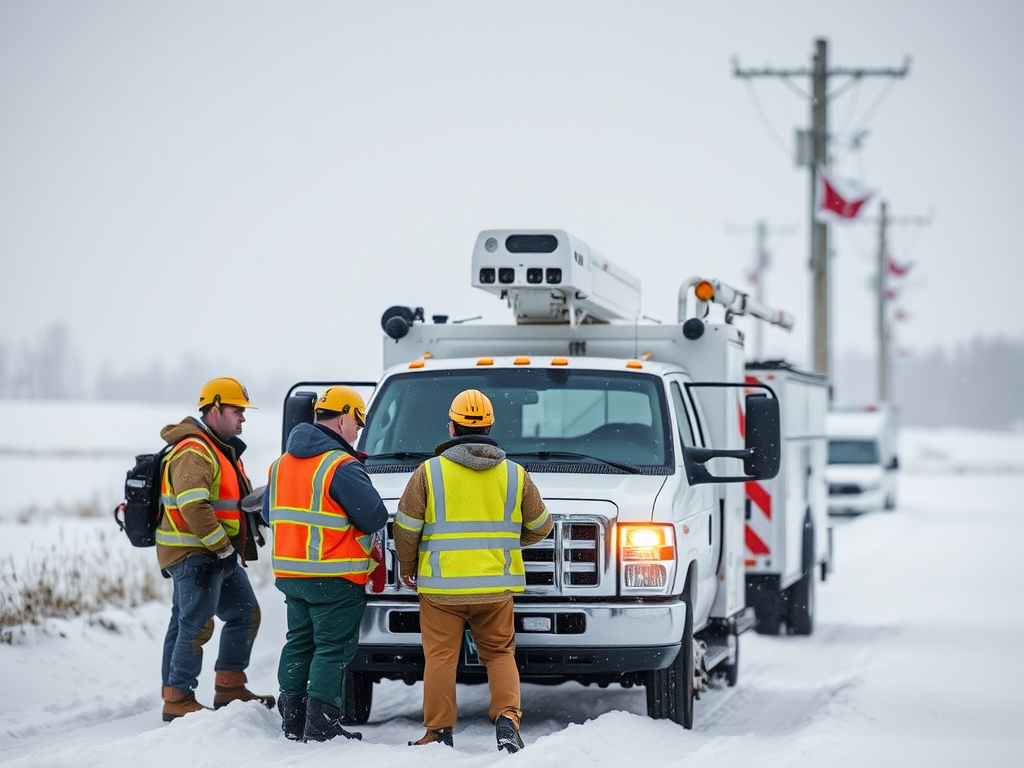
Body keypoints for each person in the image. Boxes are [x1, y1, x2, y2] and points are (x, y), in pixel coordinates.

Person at [394, 389, 552, 753]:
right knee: (499, 654)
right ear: (491, 426)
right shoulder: (515, 474)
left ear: (451, 428)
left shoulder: (429, 472)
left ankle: (438, 732)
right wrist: (506, 542)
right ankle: (508, 720)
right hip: (495, 590)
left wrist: (408, 565)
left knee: (440, 659)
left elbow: (405, 528)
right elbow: (542, 526)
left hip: (441, 590)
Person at [262, 386, 388, 742]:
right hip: (335, 576)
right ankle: (322, 725)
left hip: (292, 575)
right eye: (358, 424)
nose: (358, 432)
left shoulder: (280, 464)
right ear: (344, 417)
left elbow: (270, 514)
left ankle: (293, 720)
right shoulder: (341, 466)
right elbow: (375, 517)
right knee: (332, 648)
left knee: (299, 642)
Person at [157, 377, 274, 721]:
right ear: (215, 409)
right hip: (196, 553)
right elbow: (194, 506)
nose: (243, 419)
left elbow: (223, 500)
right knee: (194, 625)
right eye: (237, 411)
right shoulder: (194, 450)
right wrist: (222, 546)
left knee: (244, 613)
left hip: (215, 553)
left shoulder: (219, 448)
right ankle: (178, 698)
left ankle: (230, 687)